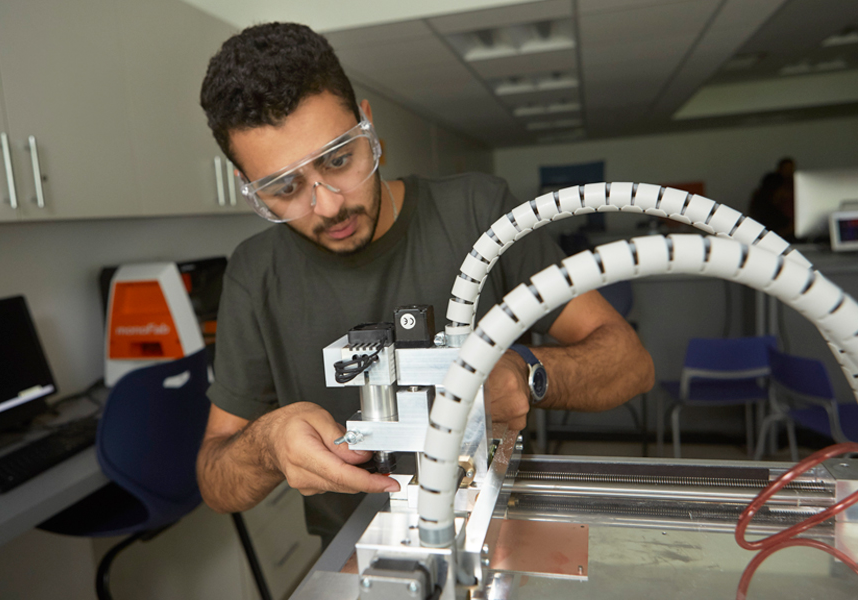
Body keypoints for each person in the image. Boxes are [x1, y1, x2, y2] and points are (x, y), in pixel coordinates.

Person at [196, 22, 655, 545]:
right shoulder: (256, 273)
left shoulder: (479, 213)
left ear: (367, 125)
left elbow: (630, 363)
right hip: (357, 551)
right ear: (248, 187)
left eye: (340, 160)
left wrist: (526, 374)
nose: (328, 204)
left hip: (495, 527)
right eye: (284, 188)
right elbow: (214, 479)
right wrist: (267, 446)